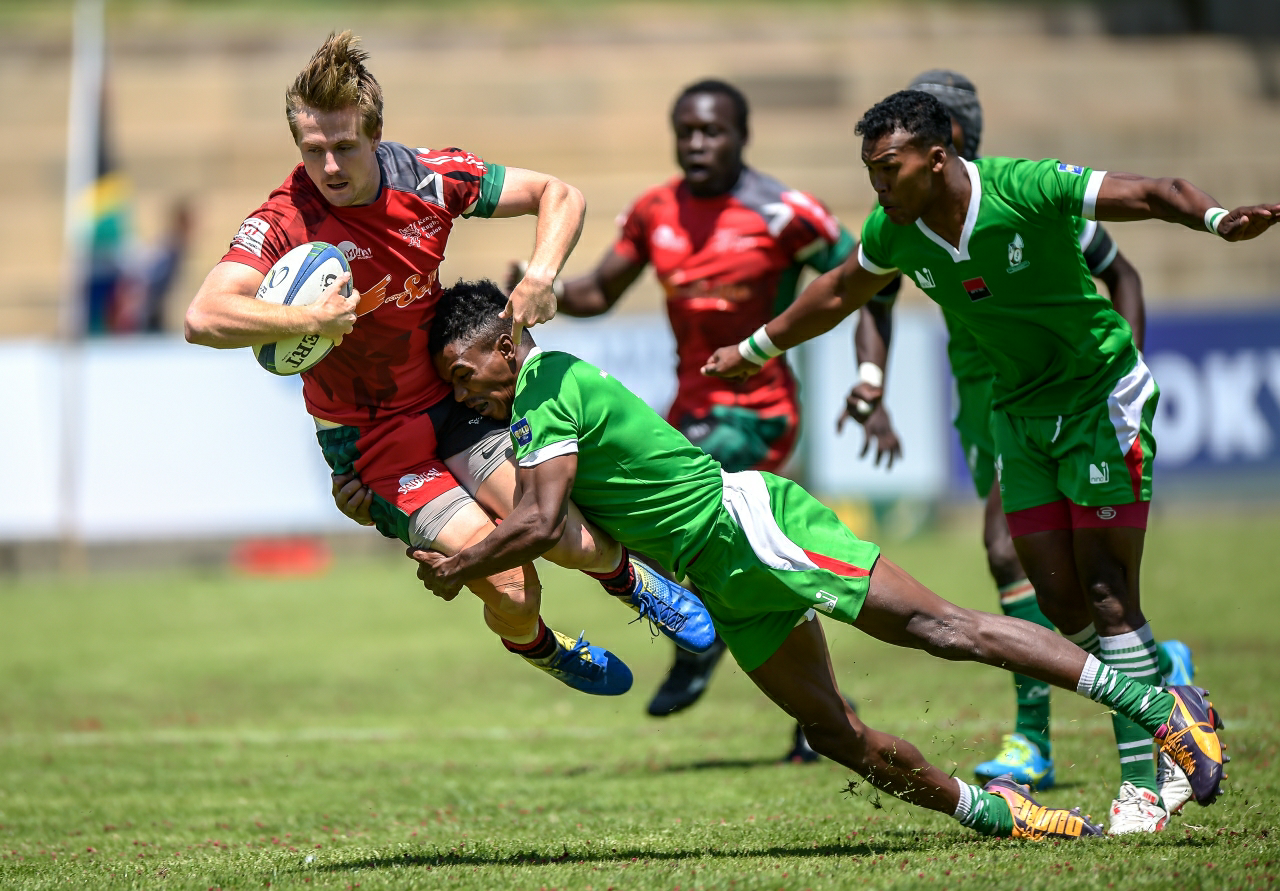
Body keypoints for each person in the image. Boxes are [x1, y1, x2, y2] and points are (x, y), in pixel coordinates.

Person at [411, 277, 1227, 842]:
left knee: (944, 629)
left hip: (749, 528)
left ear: (506, 344)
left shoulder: (547, 382)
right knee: (831, 731)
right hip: (718, 578)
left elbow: (543, 517)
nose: (464, 393)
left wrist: (459, 565)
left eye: (464, 374)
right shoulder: (525, 404)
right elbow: (564, 523)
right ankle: (1002, 813)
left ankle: (1161, 710)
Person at [704, 89, 1275, 832]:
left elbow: (1151, 191)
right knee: (1062, 607)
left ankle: (1144, 782)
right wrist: (757, 348)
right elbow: (843, 289)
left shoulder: (1025, 187)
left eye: (889, 169)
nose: (878, 187)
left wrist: (1216, 219)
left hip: (1100, 398)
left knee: (1107, 595)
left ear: (938, 157)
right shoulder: (897, 228)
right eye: (871, 172)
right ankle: (1172, 697)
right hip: (1019, 415)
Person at [184, 32, 714, 698]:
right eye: (312, 150)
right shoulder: (288, 218)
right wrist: (308, 320)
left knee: (563, 535)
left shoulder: (430, 179)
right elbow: (204, 315)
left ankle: (637, 586)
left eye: (345, 146)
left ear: (375, 136)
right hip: (374, 444)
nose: (330, 166)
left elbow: (560, 193)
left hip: (452, 404)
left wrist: (544, 274)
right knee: (514, 586)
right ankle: (542, 645)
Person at [839, 70, 1195, 832]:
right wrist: (870, 381)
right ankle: (1164, 684)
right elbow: (866, 297)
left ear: (949, 145)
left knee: (1015, 557)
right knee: (1052, 590)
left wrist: (1123, 365)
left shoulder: (1026, 201)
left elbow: (1117, 267)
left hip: (1068, 398)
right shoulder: (905, 224)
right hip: (989, 400)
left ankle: (1040, 739)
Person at [530, 79, 855, 760]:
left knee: (684, 542)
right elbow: (602, 289)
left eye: (712, 131)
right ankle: (823, 711)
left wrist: (873, 379)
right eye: (686, 131)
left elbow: (864, 276)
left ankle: (697, 639)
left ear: (743, 134)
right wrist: (548, 288)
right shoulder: (656, 211)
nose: (697, 143)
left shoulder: (786, 211)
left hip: (759, 411)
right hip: (689, 412)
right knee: (741, 561)